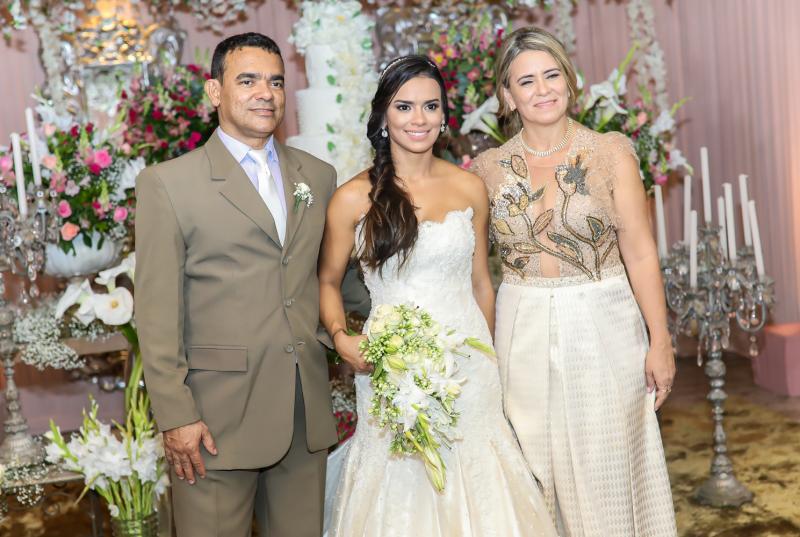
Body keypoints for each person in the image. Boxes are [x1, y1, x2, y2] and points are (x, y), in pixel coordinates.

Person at [135, 32, 368, 537]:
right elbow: (155, 314)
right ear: (214, 91)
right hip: (213, 421)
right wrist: (176, 415)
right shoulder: (169, 184)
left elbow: (337, 277)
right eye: (248, 81)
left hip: (303, 410)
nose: (266, 93)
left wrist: (412, 315)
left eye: (276, 82)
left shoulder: (318, 176)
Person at [318, 55, 558, 537]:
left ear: (445, 115)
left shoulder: (469, 187)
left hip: (469, 367)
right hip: (390, 367)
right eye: (404, 107)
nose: (419, 119)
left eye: (430, 106)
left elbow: (481, 282)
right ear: (383, 116)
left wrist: (488, 358)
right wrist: (342, 339)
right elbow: (325, 281)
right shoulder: (352, 198)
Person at [470, 27, 678, 536]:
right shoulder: (486, 170)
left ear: (569, 81)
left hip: (603, 323)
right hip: (521, 328)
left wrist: (661, 341)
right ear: (507, 96)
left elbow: (641, 253)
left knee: (606, 462)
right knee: (532, 464)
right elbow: (474, 272)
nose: (542, 90)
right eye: (526, 81)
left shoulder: (610, 153)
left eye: (552, 75)